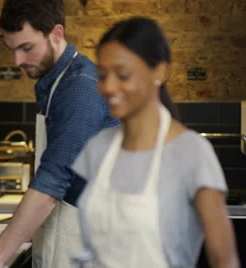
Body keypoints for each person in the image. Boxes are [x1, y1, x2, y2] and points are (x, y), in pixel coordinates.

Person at [0, 0, 119, 267]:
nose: (18, 60)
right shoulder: (57, 82)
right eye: (12, 49)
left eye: (26, 48)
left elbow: (50, 184)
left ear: (56, 34)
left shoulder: (79, 89)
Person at [71, 16, 240, 268]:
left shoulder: (192, 153)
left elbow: (224, 260)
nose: (108, 86)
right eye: (103, 75)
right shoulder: (98, 149)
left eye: (123, 75)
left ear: (160, 72)